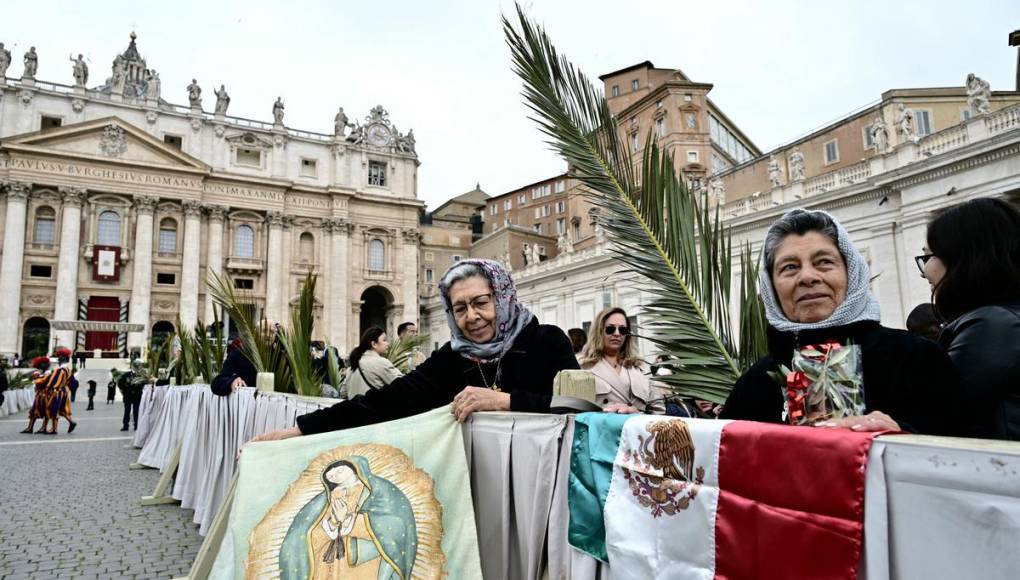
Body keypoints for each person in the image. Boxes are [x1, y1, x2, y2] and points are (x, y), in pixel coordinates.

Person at [250, 259, 579, 442]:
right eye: (460, 309)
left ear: (503, 298)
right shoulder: (453, 357)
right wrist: (298, 430)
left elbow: (578, 406)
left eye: (481, 303)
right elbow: (384, 403)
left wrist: (505, 402)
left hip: (542, 485)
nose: (472, 317)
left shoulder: (547, 341)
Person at [721, 208, 964, 435]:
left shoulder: (917, 359)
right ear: (771, 286)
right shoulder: (756, 382)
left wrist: (904, 436)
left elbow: (972, 456)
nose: (807, 277)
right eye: (790, 267)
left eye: (824, 262)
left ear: (852, 271)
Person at [920, 198, 1020, 440]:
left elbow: (932, 412)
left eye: (928, 257)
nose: (924, 272)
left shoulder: (992, 326)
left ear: (965, 258)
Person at [580, 307, 665, 414]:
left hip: (637, 429)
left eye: (622, 330)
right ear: (599, 331)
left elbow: (658, 411)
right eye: (610, 329)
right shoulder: (582, 367)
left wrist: (637, 415)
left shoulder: (641, 366)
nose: (617, 333)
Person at [343, 327, 402, 399]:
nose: (387, 343)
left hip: (355, 408)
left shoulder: (352, 366)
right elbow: (402, 385)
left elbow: (344, 393)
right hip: (374, 409)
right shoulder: (381, 362)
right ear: (374, 344)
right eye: (384, 340)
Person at [118, 360, 145, 431]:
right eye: (136, 366)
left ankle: (136, 425)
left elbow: (144, 385)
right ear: (133, 367)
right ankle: (125, 425)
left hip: (137, 396)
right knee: (127, 411)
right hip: (128, 396)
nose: (137, 368)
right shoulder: (126, 375)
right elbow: (120, 383)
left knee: (136, 411)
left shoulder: (141, 376)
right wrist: (124, 391)